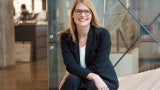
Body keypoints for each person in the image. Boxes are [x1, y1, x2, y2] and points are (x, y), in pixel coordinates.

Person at [58, 0, 119, 90]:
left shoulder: (103, 34)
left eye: (86, 11)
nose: (82, 15)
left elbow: (99, 66)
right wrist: (92, 76)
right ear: (72, 15)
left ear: (92, 14)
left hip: (102, 78)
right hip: (82, 77)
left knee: (90, 85)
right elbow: (70, 64)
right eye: (78, 11)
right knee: (71, 80)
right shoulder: (66, 37)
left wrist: (74, 72)